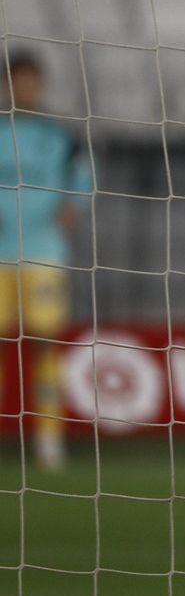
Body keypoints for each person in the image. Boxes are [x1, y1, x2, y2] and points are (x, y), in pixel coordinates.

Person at [1, 49, 91, 471]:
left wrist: (74, 206)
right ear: (6, 85)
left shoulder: (60, 136)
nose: (25, 89)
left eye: (32, 82)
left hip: (43, 253)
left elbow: (84, 181)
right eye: (18, 81)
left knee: (45, 343)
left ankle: (49, 440)